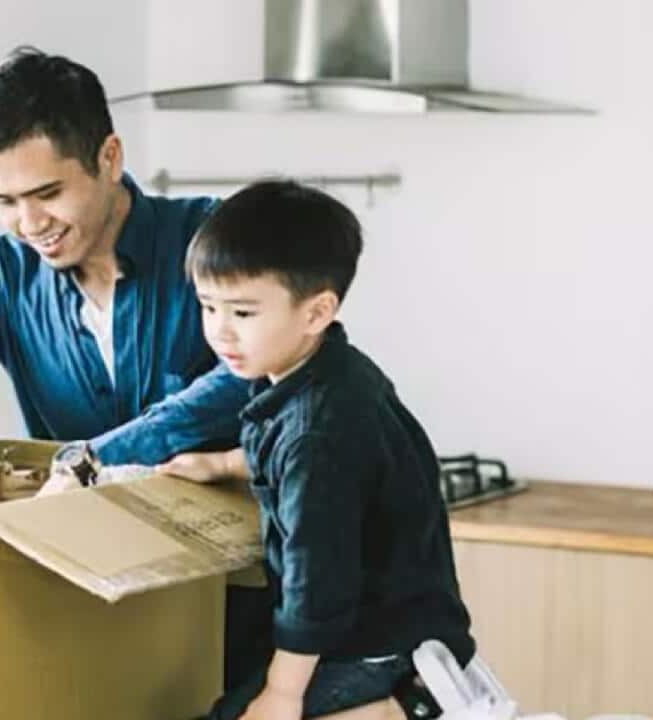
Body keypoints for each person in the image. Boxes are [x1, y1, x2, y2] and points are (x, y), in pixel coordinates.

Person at [0, 46, 271, 686]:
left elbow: (258, 374)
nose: (29, 222)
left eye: (47, 193)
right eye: (4, 200)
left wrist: (95, 457)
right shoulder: (0, 274)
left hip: (241, 602)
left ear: (109, 158)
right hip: (83, 603)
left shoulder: (211, 239)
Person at [188, 180, 475, 720]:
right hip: (412, 623)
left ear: (316, 311)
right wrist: (224, 463)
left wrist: (282, 694)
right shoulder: (325, 373)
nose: (220, 331)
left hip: (379, 646)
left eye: (243, 313)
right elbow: (294, 458)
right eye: (208, 306)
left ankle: (402, 706)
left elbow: (316, 588)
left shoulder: (316, 431)